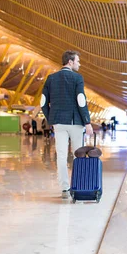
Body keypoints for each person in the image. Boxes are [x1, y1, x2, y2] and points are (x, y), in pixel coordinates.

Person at [41, 50, 93, 199]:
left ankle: (64, 188)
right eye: (77, 61)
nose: (79, 64)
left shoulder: (51, 78)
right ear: (70, 62)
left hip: (59, 123)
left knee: (61, 155)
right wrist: (87, 122)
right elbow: (80, 100)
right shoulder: (77, 78)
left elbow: (43, 102)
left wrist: (51, 118)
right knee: (78, 154)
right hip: (75, 122)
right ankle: (78, 185)